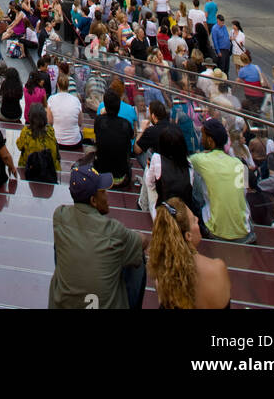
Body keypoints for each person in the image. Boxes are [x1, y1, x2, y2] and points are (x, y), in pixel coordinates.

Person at [48, 164, 147, 310]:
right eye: (103, 192)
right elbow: (143, 241)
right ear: (93, 201)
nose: (107, 195)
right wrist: (132, 236)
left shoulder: (60, 215)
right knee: (137, 255)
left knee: (65, 241)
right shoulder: (114, 231)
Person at [149, 197, 231, 309]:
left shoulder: (162, 277)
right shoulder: (217, 268)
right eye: (194, 220)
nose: (197, 219)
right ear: (188, 236)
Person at [189, 118, 254, 243]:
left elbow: (184, 166)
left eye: (203, 135)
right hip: (245, 232)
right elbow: (244, 194)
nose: (201, 139)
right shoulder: (239, 163)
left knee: (193, 175)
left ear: (210, 140)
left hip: (215, 231)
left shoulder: (199, 159)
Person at [93, 90, 134, 189]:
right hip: (121, 177)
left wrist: (102, 113)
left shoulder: (99, 121)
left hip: (101, 174)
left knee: (89, 149)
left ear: (105, 106)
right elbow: (132, 136)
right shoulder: (126, 124)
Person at [16, 103, 60, 176]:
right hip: (50, 168)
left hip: (30, 168)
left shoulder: (26, 132)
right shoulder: (51, 130)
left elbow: (19, 146)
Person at [47, 72, 84, 150]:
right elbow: (80, 123)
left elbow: (50, 121)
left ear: (57, 85)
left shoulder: (51, 99)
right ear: (68, 85)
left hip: (56, 140)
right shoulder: (76, 100)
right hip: (74, 142)